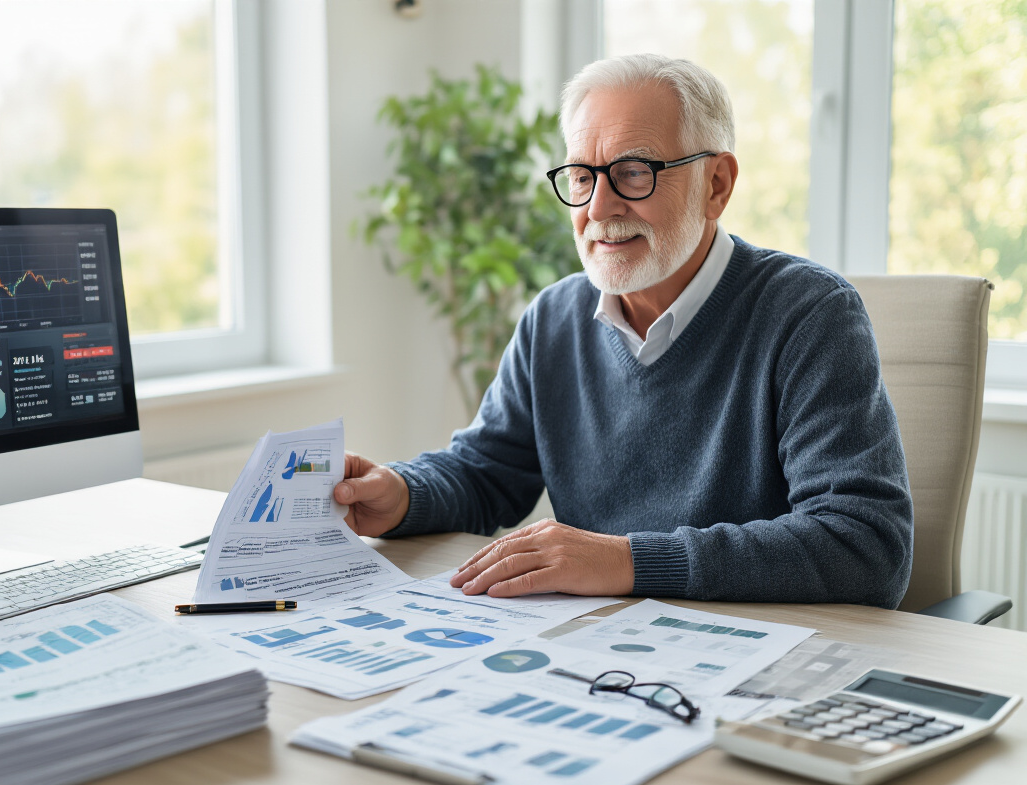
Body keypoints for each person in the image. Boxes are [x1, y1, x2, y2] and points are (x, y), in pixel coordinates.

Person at [333, 54, 913, 608]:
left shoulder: (809, 314)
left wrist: (625, 561)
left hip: (756, 654)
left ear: (717, 185)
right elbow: (486, 473)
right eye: (582, 176)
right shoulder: (553, 318)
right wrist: (402, 495)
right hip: (598, 649)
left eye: (634, 172)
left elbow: (864, 546)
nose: (600, 205)